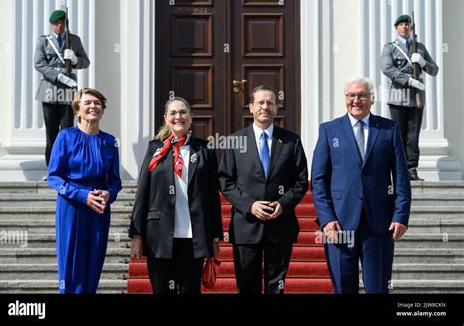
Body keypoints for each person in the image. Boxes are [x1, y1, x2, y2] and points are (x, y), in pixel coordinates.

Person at [311, 77, 411, 294]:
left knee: (377, 289)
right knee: (343, 289)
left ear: (371, 99)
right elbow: (318, 179)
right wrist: (327, 219)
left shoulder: (389, 129)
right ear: (345, 98)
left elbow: (401, 177)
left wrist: (400, 215)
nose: (356, 100)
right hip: (339, 224)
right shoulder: (329, 130)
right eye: (351, 96)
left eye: (362, 95)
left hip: (379, 224)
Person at [218, 85, 308, 294]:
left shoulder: (291, 141)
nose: (265, 107)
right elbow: (225, 181)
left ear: (276, 108)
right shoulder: (234, 141)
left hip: (281, 226)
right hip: (246, 227)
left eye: (270, 103)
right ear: (251, 107)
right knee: (247, 286)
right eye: (260, 102)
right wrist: (250, 205)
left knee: (276, 287)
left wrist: (283, 204)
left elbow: (301, 181)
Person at [129, 97, 223, 294]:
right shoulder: (155, 149)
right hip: (160, 236)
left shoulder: (205, 149)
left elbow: (212, 197)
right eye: (173, 113)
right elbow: (142, 193)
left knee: (191, 291)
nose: (178, 117)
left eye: (183, 112)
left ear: (190, 117)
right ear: (166, 118)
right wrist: (136, 235)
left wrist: (215, 238)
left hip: (194, 236)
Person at [47, 88, 122, 293]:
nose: (93, 106)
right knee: (71, 261)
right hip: (72, 205)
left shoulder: (110, 141)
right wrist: (81, 195)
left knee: (94, 260)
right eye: (87, 102)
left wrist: (110, 194)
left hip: (99, 207)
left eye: (97, 103)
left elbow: (115, 180)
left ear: (103, 110)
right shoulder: (65, 136)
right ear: (77, 109)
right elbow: (53, 176)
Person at [381, 14, 439, 181]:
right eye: (401, 24)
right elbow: (387, 68)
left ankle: (411, 169)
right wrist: (408, 80)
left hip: (416, 98)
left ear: (411, 28)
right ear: (396, 28)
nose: (404, 27)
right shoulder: (390, 48)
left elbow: (434, 70)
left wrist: (422, 63)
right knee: (399, 134)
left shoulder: (419, 47)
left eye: (407, 24)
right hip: (398, 97)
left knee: (413, 136)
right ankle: (398, 170)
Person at [34, 9, 90, 169]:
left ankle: (66, 166)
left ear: (66, 23)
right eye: (56, 23)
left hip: (68, 91)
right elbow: (39, 63)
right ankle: (52, 168)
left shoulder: (74, 40)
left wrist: (74, 59)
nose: (59, 25)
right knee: (51, 132)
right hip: (49, 90)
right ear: (52, 25)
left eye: (62, 22)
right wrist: (57, 76)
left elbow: (86, 62)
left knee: (67, 130)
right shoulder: (44, 41)